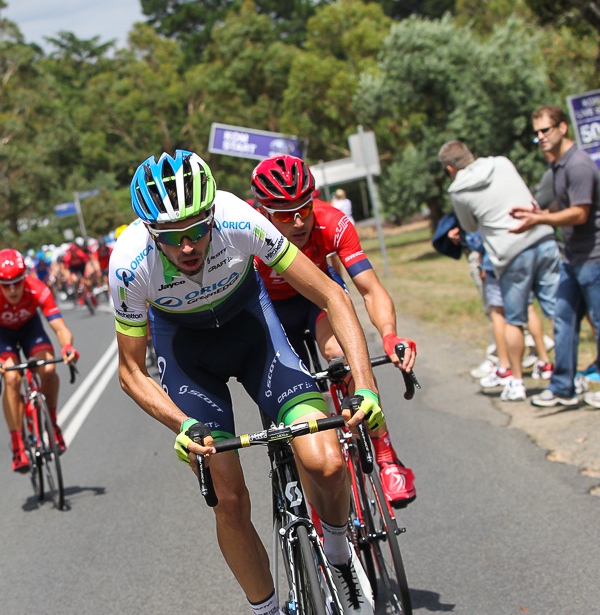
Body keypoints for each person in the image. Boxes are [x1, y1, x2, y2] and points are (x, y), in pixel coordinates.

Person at [111, 150, 381, 615]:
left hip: (254, 332)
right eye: (172, 239)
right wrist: (181, 425)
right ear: (150, 233)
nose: (189, 247)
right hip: (187, 355)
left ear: (213, 213)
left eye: (197, 229)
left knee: (328, 464)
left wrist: (366, 385)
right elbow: (131, 370)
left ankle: (338, 556)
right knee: (230, 500)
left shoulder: (240, 219)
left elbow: (331, 295)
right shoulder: (129, 264)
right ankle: (269, 609)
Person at [249, 154, 419, 508]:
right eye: (283, 214)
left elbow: (369, 289)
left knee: (340, 354)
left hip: (319, 300)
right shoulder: (247, 232)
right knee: (288, 390)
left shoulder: (332, 222)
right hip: (272, 309)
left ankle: (386, 455)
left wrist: (389, 334)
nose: (297, 222)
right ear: (263, 212)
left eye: (304, 209)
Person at [511, 105, 600, 409]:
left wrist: (540, 220)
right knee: (563, 321)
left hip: (598, 257)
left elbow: (580, 213)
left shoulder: (578, 165)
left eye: (545, 130)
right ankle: (563, 386)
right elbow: (567, 210)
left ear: (562, 128)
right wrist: (539, 213)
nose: (540, 137)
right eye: (536, 132)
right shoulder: (557, 166)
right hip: (575, 258)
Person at [438, 140, 560, 402]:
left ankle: (516, 380)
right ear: (471, 154)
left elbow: (470, 226)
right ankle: (564, 375)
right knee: (557, 311)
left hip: (510, 251)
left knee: (513, 319)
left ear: (450, 168)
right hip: (543, 238)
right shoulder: (502, 162)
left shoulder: (458, 190)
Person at [0, 248, 79, 473]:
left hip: (30, 331)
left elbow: (60, 327)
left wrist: (67, 346)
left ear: (25, 277)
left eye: (17, 282)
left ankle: (51, 424)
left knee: (49, 370)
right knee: (12, 378)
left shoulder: (37, 289)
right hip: (3, 337)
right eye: (6, 285)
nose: (13, 289)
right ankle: (17, 445)